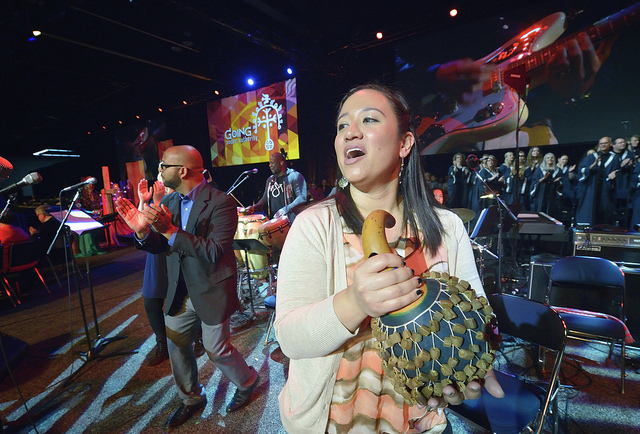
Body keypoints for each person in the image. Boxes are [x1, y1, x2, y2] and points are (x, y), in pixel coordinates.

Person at [274, 84, 503, 433]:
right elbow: (290, 337)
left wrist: (473, 358)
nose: (350, 131)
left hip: (421, 421)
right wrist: (355, 301)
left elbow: (476, 312)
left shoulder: (447, 228)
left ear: (404, 143)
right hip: (333, 423)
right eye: (341, 126)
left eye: (368, 119)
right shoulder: (314, 225)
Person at [115, 145, 260, 428]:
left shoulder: (221, 202)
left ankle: (248, 380)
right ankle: (192, 398)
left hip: (210, 288)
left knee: (216, 349)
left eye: (163, 166)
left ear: (182, 171)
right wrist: (144, 232)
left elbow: (215, 251)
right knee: (176, 344)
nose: (159, 171)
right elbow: (159, 246)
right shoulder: (169, 202)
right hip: (179, 290)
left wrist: (171, 230)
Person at [246, 152, 307, 223]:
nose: (270, 165)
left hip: (291, 222)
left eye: (273, 163)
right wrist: (254, 208)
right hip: (274, 223)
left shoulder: (294, 176)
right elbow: (264, 200)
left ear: (281, 163)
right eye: (269, 163)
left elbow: (302, 198)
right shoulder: (270, 180)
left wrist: (286, 209)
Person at [575, 137, 619, 227]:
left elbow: (617, 171)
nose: (603, 145)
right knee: (590, 210)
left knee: (604, 211)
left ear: (610, 144)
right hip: (591, 188)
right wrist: (592, 166)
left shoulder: (614, 158)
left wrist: (614, 176)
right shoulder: (592, 157)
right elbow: (581, 170)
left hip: (606, 188)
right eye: (601, 143)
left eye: (605, 143)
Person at [529, 153, 563, 219]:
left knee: (552, 212)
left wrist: (559, 181)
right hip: (541, 194)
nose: (550, 159)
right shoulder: (539, 170)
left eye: (552, 158)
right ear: (545, 160)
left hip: (553, 194)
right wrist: (543, 178)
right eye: (548, 158)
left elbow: (563, 182)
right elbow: (534, 182)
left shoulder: (558, 171)